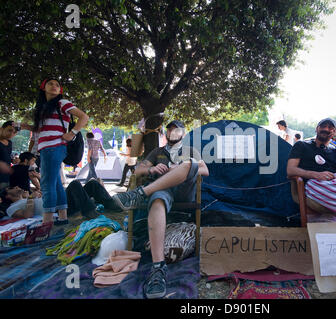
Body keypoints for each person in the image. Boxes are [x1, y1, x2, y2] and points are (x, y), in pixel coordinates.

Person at [112, 120, 209, 299]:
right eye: (170, 129)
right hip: (162, 191)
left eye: (177, 130)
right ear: (166, 133)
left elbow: (205, 170)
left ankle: (140, 193)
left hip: (183, 191)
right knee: (157, 200)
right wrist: (152, 169)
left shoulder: (190, 151)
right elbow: (138, 170)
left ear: (183, 134)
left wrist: (176, 168)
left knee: (188, 164)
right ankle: (158, 268)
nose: (173, 132)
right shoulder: (157, 152)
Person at [31, 78, 89, 225]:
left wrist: (72, 133)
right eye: (51, 83)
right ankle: (62, 217)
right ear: (43, 87)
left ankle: (47, 221)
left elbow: (84, 117)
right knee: (55, 183)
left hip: (54, 147)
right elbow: (41, 130)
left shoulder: (62, 103)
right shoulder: (43, 108)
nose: (54, 86)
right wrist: (24, 127)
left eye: (57, 85)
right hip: (46, 148)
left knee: (46, 184)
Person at [0, 121, 17, 191]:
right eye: (9, 130)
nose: (11, 134)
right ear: (1, 129)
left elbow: (6, 157)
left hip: (5, 178)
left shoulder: (9, 143)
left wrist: (13, 160)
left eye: (14, 132)